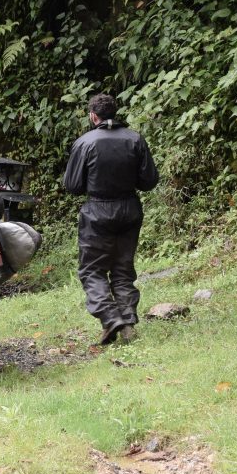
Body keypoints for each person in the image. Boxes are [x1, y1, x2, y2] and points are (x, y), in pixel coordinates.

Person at [63, 93, 159, 344]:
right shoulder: (135, 139)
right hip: (129, 209)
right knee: (122, 269)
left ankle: (110, 317)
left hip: (97, 213)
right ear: (114, 113)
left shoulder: (84, 143)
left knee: (92, 270)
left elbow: (72, 186)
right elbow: (149, 181)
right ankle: (126, 323)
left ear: (93, 115)